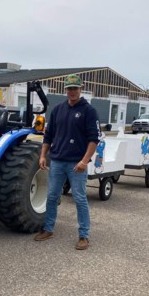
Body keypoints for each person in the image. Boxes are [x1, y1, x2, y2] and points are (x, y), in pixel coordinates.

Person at [34, 74, 99, 250]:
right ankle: (48, 229)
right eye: (69, 88)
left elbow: (94, 140)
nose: (72, 92)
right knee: (52, 196)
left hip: (76, 164)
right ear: (65, 90)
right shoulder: (57, 110)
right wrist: (42, 155)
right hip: (57, 161)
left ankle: (84, 235)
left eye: (75, 88)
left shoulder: (88, 111)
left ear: (81, 89)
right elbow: (48, 135)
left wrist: (84, 161)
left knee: (79, 198)